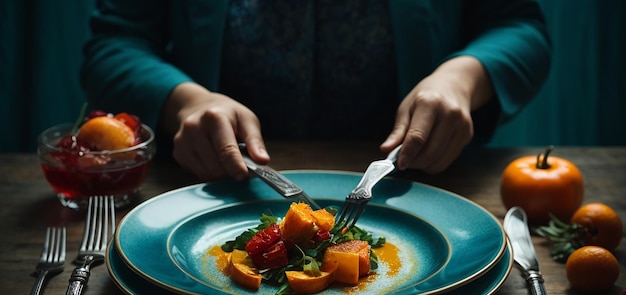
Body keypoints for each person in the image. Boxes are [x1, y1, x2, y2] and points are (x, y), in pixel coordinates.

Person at [81, 0, 551, 181]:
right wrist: (185, 100)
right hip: (213, 184)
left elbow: (518, 27)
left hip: (422, 185)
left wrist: (461, 78)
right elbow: (114, 45)